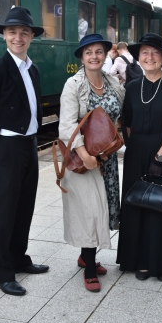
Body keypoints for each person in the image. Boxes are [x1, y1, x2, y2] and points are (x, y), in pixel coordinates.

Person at [0, 7, 49, 296]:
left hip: (28, 144)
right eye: (13, 32)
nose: (18, 37)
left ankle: (18, 258)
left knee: (24, 206)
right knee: (4, 212)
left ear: (31, 37)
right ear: (4, 35)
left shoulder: (33, 69)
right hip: (5, 147)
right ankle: (2, 273)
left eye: (24, 33)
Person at [116, 33, 162, 281]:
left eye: (155, 52)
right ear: (138, 57)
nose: (149, 57)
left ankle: (160, 262)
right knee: (137, 204)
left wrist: (159, 157)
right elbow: (126, 123)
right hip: (136, 153)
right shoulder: (132, 86)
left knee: (160, 206)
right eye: (145, 52)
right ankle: (138, 260)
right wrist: (135, 148)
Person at [59, 33, 125, 292]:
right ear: (82, 57)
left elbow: (118, 116)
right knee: (90, 212)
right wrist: (85, 154)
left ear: (107, 54)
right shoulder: (73, 85)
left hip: (106, 159)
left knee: (105, 208)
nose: (94, 56)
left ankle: (87, 256)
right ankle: (88, 268)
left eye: (99, 51)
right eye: (89, 52)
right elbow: (66, 125)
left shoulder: (113, 82)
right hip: (84, 160)